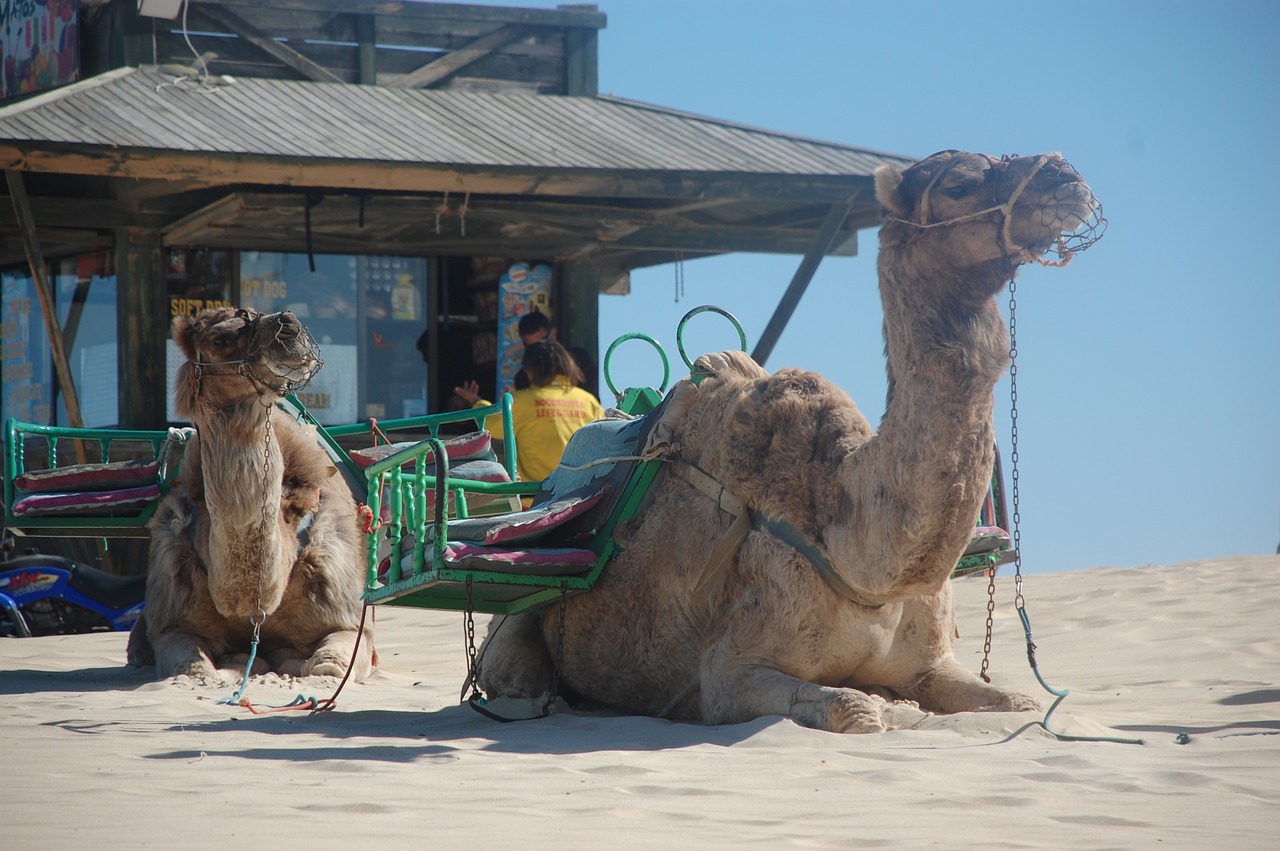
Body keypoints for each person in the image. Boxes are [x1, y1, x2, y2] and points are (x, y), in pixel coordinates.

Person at [454, 339, 604, 484]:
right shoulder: (589, 402)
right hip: (578, 494)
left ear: (530, 371)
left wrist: (475, 401)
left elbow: (491, 425)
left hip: (536, 497)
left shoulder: (520, 401)